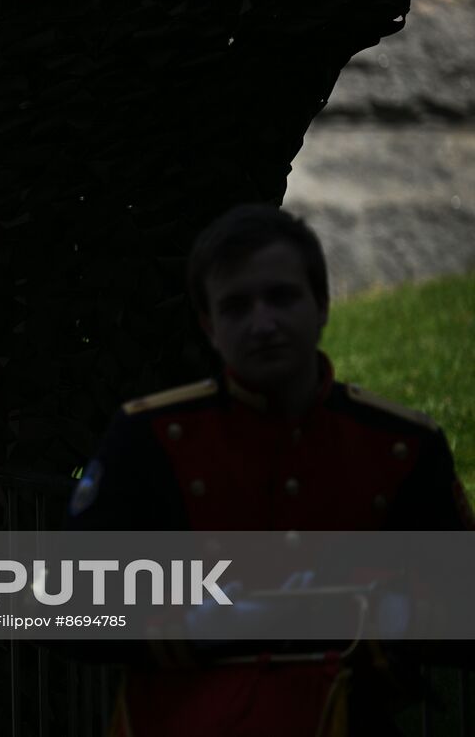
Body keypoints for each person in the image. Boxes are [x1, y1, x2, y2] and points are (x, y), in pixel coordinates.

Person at [67, 203, 474, 736]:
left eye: (282, 297)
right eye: (236, 307)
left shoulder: (401, 443)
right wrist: (189, 626)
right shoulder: (147, 439)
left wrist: (398, 615)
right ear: (209, 325)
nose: (263, 324)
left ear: (323, 305)